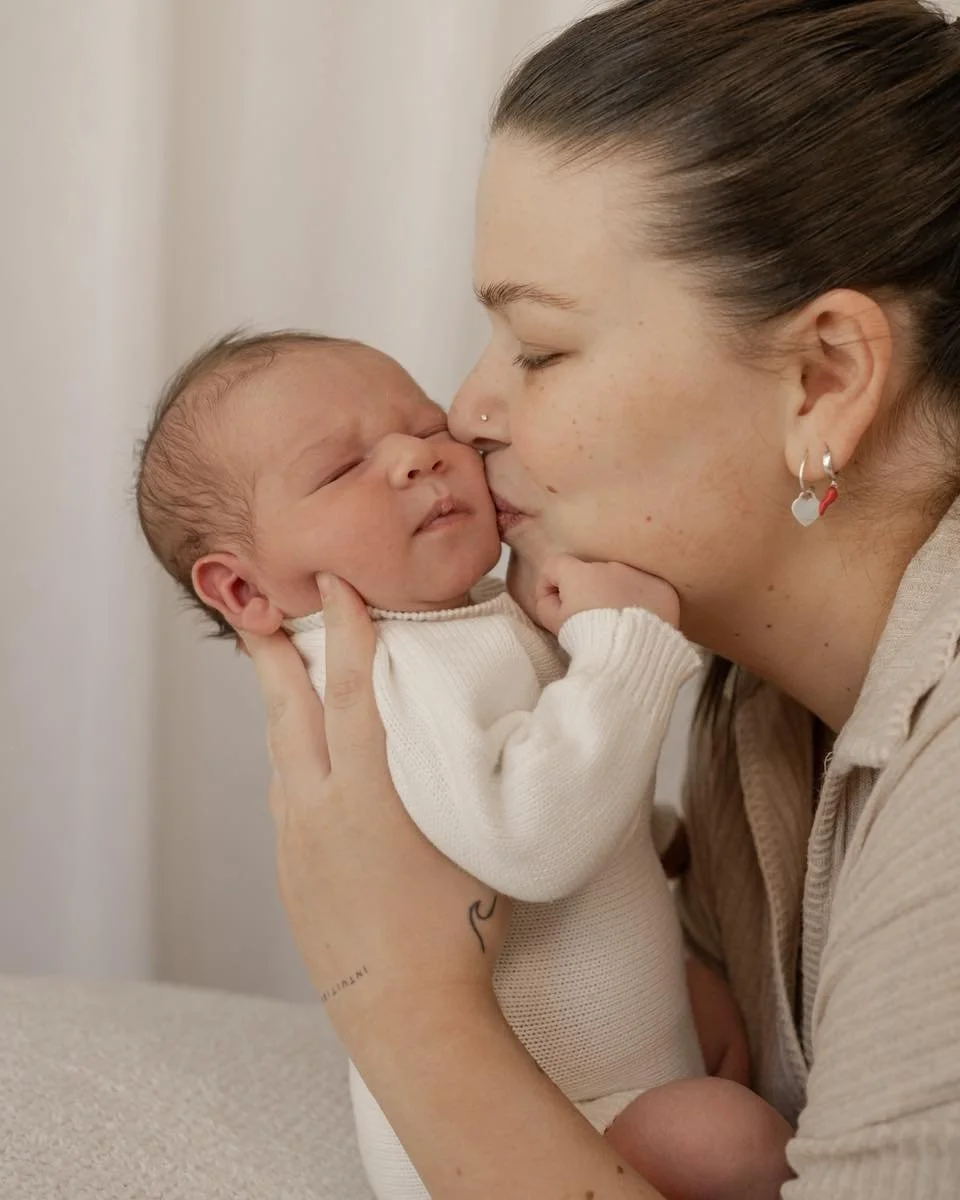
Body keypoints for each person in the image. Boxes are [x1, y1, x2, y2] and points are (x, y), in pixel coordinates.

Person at [240, 0, 960, 1196]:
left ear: (824, 379)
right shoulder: (751, 699)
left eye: (538, 346)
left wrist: (403, 997)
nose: (465, 413)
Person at [135, 331, 791, 1198]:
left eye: (426, 426)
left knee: (717, 1032)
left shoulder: (453, 625)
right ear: (246, 591)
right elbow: (532, 840)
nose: (416, 457)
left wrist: (653, 836)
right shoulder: (382, 677)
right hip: (529, 1122)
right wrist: (627, 645)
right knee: (738, 1139)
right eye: (341, 470)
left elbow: (522, 777)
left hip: (602, 1076)